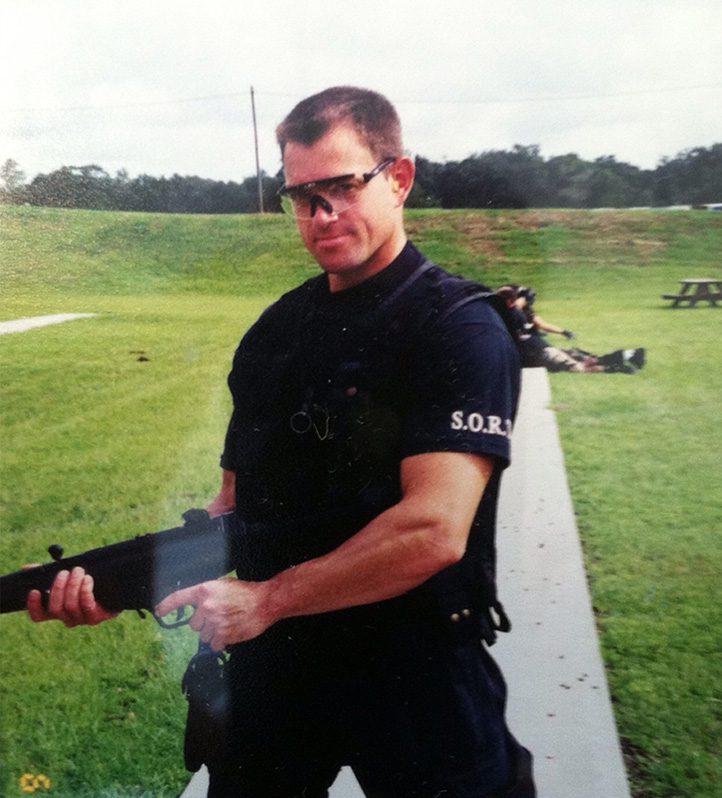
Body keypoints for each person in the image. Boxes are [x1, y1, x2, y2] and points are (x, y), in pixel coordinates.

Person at [27, 86, 535, 797]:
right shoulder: (276, 333)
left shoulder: (456, 328)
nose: (321, 215)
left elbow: (433, 530)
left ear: (399, 178)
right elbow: (239, 509)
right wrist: (126, 585)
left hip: (415, 665)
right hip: (281, 666)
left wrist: (266, 600)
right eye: (301, 196)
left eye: (342, 187)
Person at [497, 285, 645, 374]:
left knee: (583, 362)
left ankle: (624, 361)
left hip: (541, 350)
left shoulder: (513, 313)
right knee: (586, 362)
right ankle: (626, 358)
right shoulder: (517, 313)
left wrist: (562, 331)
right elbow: (534, 321)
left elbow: (540, 323)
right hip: (541, 350)